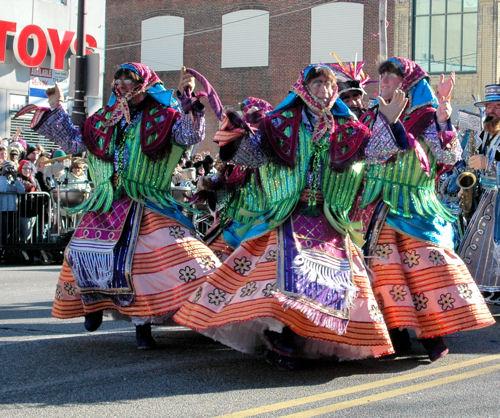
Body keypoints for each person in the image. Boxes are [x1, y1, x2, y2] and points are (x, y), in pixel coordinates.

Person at [174, 64, 394, 369]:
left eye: (328, 85)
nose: (323, 90)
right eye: (316, 84)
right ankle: (286, 337)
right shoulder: (279, 124)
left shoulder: (349, 128)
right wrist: (236, 133)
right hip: (287, 215)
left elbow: (378, 154)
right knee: (287, 273)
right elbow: (251, 155)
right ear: (303, 89)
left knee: (330, 282)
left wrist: (389, 121)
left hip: (329, 219)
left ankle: (295, 340)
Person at [16, 62, 221, 349]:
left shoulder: (164, 117)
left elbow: (190, 136)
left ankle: (148, 324)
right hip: (107, 204)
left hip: (147, 202)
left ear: (145, 84)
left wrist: (188, 102)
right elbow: (76, 144)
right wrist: (57, 110)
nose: (123, 84)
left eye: (130, 79)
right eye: (119, 78)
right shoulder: (103, 119)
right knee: (79, 252)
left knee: (175, 258)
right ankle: (92, 305)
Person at [358, 57, 495, 361]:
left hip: (416, 205)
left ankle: (432, 332)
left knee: (427, 267)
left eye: (392, 79)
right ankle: (395, 332)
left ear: (407, 84)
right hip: (378, 205)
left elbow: (449, 156)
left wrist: (445, 120)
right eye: (382, 79)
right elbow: (372, 154)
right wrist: (386, 120)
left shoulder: (426, 116)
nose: (385, 84)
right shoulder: (371, 116)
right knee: (383, 272)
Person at [458, 84, 500, 305]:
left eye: (497, 106)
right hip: (486, 197)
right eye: (489, 106)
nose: (492, 111)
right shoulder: (488, 135)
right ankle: (487, 287)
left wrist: (490, 164)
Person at [0, 161, 25, 252]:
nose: (9, 171)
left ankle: (10, 251)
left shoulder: (15, 180)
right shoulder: (1, 179)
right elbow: (2, 188)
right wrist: (3, 175)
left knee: (13, 232)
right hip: (2, 211)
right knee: (2, 232)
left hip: (13, 210)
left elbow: (22, 190)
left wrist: (15, 177)